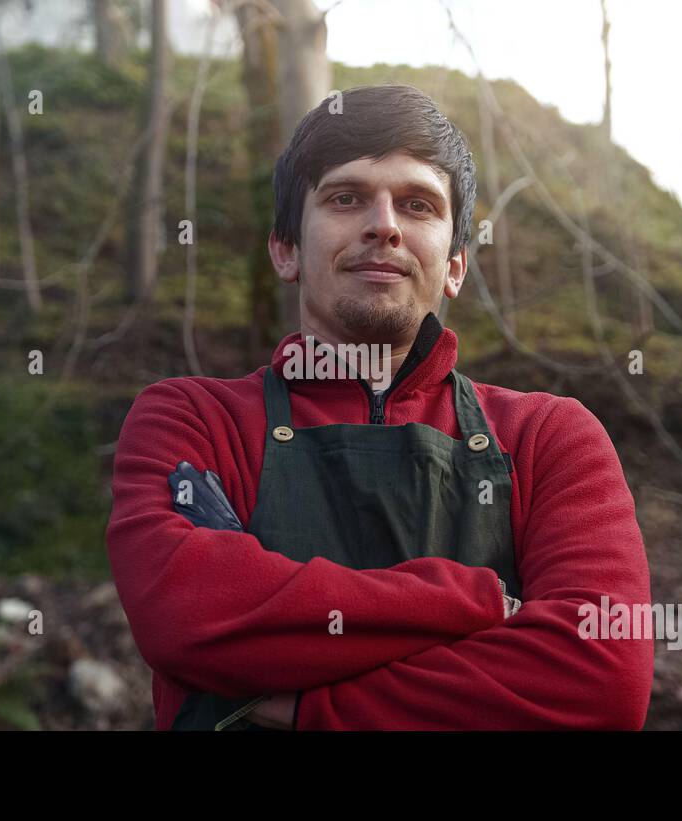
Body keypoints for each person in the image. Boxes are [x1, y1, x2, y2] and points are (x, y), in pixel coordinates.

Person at [106, 83, 653, 731]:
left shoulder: (548, 436)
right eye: (346, 197)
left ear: (453, 265)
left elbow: (603, 678)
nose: (385, 225)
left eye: (418, 204)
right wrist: (477, 603)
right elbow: (184, 615)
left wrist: (310, 708)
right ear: (285, 250)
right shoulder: (192, 420)